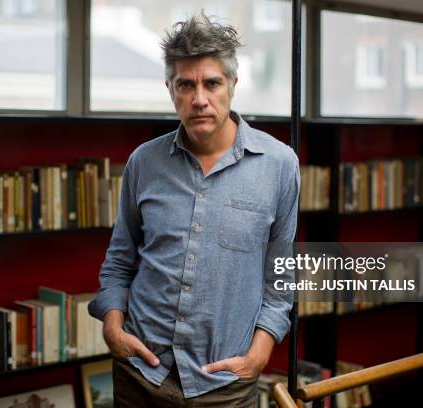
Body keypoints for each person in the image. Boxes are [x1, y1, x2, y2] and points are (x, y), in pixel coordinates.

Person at [88, 12, 299, 407]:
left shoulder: (280, 164)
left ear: (233, 85)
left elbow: (280, 276)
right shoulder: (143, 162)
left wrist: (260, 351)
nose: (199, 99)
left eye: (212, 83)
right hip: (140, 374)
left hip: (225, 383)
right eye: (186, 84)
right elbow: (120, 259)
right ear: (170, 88)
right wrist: (113, 328)